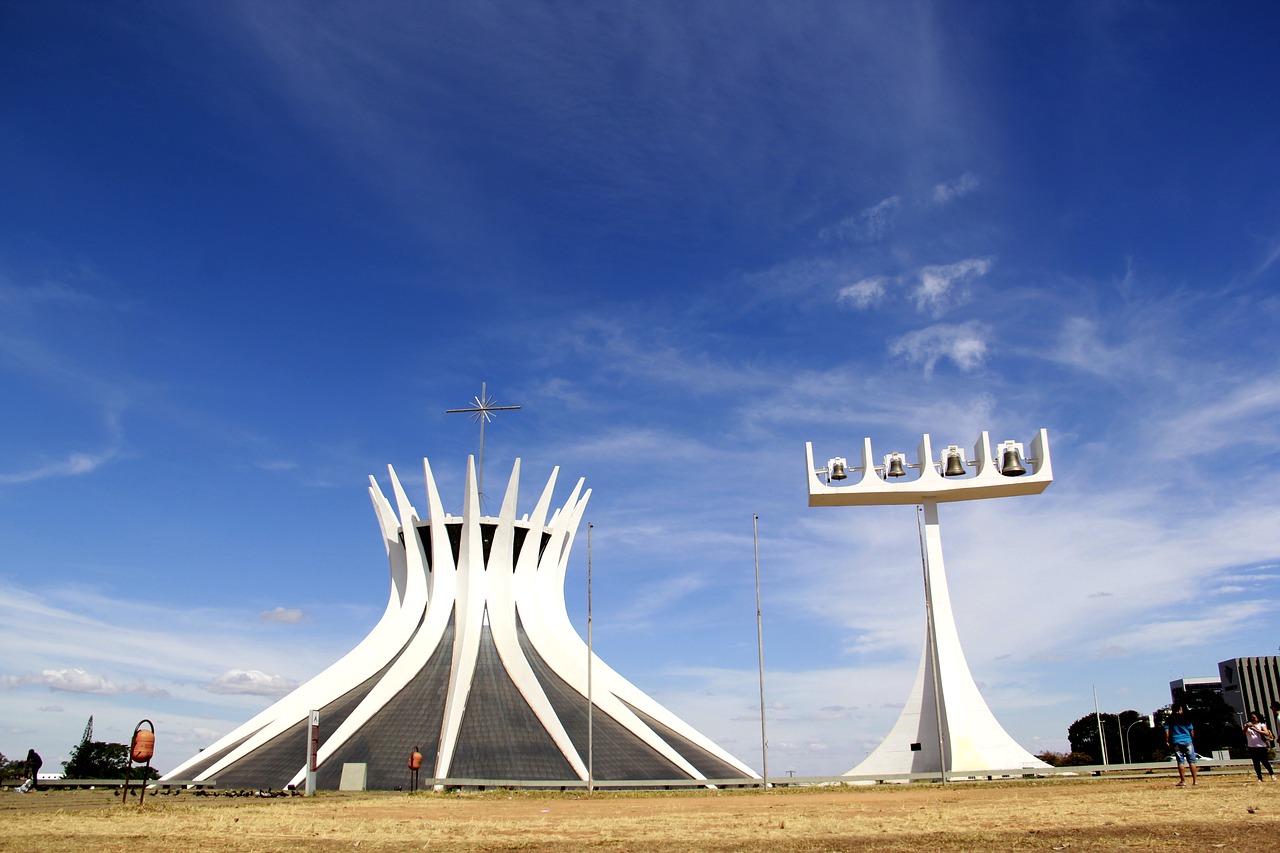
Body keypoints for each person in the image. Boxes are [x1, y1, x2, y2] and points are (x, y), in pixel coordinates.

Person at [1165, 704, 1198, 787]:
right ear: (1180, 710)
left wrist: (1167, 740)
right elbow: (1192, 730)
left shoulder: (1169, 719)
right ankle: (1195, 781)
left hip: (1176, 741)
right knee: (1192, 762)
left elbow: (1167, 731)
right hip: (1187, 740)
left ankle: (1183, 781)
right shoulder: (1186, 718)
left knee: (1180, 761)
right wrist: (1191, 739)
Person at [1244, 711, 1276, 782]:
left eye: (1254, 717)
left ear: (1258, 718)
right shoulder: (1248, 725)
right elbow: (1243, 733)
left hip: (1261, 746)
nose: (1253, 719)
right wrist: (1246, 727)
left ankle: (1272, 774)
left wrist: (1255, 729)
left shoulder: (1261, 725)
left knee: (1265, 761)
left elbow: (1266, 733)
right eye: (1251, 717)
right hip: (1252, 746)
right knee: (1256, 763)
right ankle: (1259, 777)